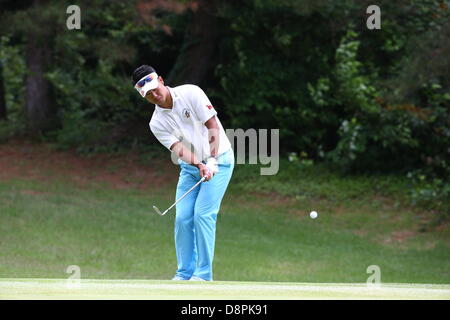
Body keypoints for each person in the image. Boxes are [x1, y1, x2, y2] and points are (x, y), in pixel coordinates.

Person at [131, 65, 234, 281]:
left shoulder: (191, 92)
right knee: (183, 218)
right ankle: (184, 273)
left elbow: (212, 124)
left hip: (220, 160)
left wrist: (212, 161)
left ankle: (203, 274)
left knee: (203, 215)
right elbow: (179, 149)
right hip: (191, 169)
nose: (154, 95)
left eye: (154, 88)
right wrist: (199, 165)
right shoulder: (156, 123)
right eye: (147, 95)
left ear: (160, 79)